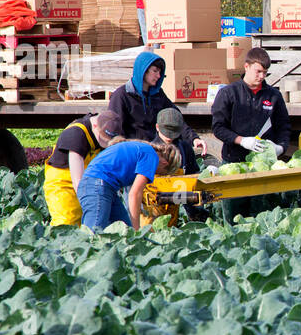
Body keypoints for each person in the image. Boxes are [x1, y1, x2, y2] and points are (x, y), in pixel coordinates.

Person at [211, 47, 289, 222]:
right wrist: (241, 141)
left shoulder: (273, 96)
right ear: (246, 67)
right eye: (258, 71)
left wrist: (280, 147)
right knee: (234, 219)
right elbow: (218, 127)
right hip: (233, 164)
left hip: (263, 168)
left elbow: (284, 126)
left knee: (262, 219)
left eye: (265, 73)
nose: (261, 76)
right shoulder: (229, 93)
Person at [108, 50, 206, 157]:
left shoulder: (158, 94)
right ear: (143, 71)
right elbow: (114, 132)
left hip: (158, 153)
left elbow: (175, 119)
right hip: (133, 155)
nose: (159, 76)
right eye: (155, 71)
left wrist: (193, 138)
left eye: (160, 72)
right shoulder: (121, 96)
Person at [77, 139, 182, 231]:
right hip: (98, 185)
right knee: (94, 231)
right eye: (159, 173)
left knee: (125, 230)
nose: (153, 174)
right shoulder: (152, 156)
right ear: (165, 163)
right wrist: (136, 229)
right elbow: (135, 194)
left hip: (103, 186)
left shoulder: (143, 149)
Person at [43, 110, 122, 226]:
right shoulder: (76, 134)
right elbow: (77, 181)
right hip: (64, 183)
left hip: (90, 181)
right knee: (67, 222)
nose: (105, 144)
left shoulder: (110, 126)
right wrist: (91, 206)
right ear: (95, 125)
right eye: (102, 139)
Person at [155, 107, 201, 175]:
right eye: (166, 132)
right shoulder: (150, 150)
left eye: (173, 132)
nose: (169, 136)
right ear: (157, 127)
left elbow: (193, 172)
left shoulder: (185, 148)